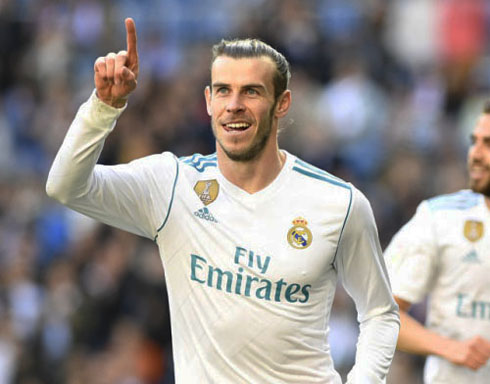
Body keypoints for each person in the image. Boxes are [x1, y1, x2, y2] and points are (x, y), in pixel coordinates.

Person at [46, 18, 399, 383]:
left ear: (282, 103)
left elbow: (380, 313)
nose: (234, 105)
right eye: (223, 90)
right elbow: (65, 186)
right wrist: (103, 107)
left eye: (251, 91)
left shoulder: (339, 203)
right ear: (208, 101)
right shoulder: (173, 185)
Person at [384, 103, 490, 383]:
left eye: (488, 144)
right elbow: (380, 312)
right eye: (474, 142)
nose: (476, 154)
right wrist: (449, 347)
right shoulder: (440, 218)